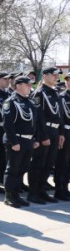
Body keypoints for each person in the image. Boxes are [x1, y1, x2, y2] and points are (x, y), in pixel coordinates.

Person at [3, 76, 39, 208]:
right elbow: (8, 124)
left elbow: (33, 123)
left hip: (28, 141)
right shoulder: (11, 102)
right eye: (27, 84)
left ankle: (17, 195)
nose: (30, 87)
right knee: (12, 169)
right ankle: (9, 196)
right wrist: (13, 142)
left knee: (22, 169)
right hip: (17, 140)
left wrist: (34, 138)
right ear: (18, 85)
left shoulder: (29, 102)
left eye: (31, 85)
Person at [27, 67, 62, 204]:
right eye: (53, 75)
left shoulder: (54, 92)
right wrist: (43, 136)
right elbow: (38, 117)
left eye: (57, 75)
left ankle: (42, 191)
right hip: (44, 132)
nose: (56, 77)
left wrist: (60, 133)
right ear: (45, 76)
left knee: (48, 164)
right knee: (38, 163)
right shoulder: (39, 93)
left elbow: (59, 116)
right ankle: (33, 193)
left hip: (54, 131)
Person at [54, 73, 70, 202]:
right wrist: (62, 134)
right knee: (62, 162)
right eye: (68, 80)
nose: (69, 82)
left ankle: (66, 187)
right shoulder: (62, 97)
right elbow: (60, 117)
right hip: (66, 132)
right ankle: (59, 189)